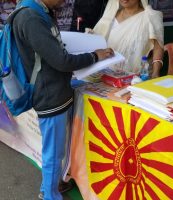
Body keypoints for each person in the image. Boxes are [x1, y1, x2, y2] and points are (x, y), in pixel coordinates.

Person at [12, 0, 114, 199]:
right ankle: (49, 195)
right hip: (51, 97)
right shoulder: (31, 17)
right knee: (53, 154)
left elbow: (52, 53)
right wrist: (94, 56)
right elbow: (61, 60)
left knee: (56, 151)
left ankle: (49, 188)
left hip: (55, 91)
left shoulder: (39, 10)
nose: (65, 1)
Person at [91, 0, 164, 78]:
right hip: (108, 74)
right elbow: (97, 41)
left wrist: (156, 72)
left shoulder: (151, 16)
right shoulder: (109, 17)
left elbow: (158, 47)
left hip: (138, 77)